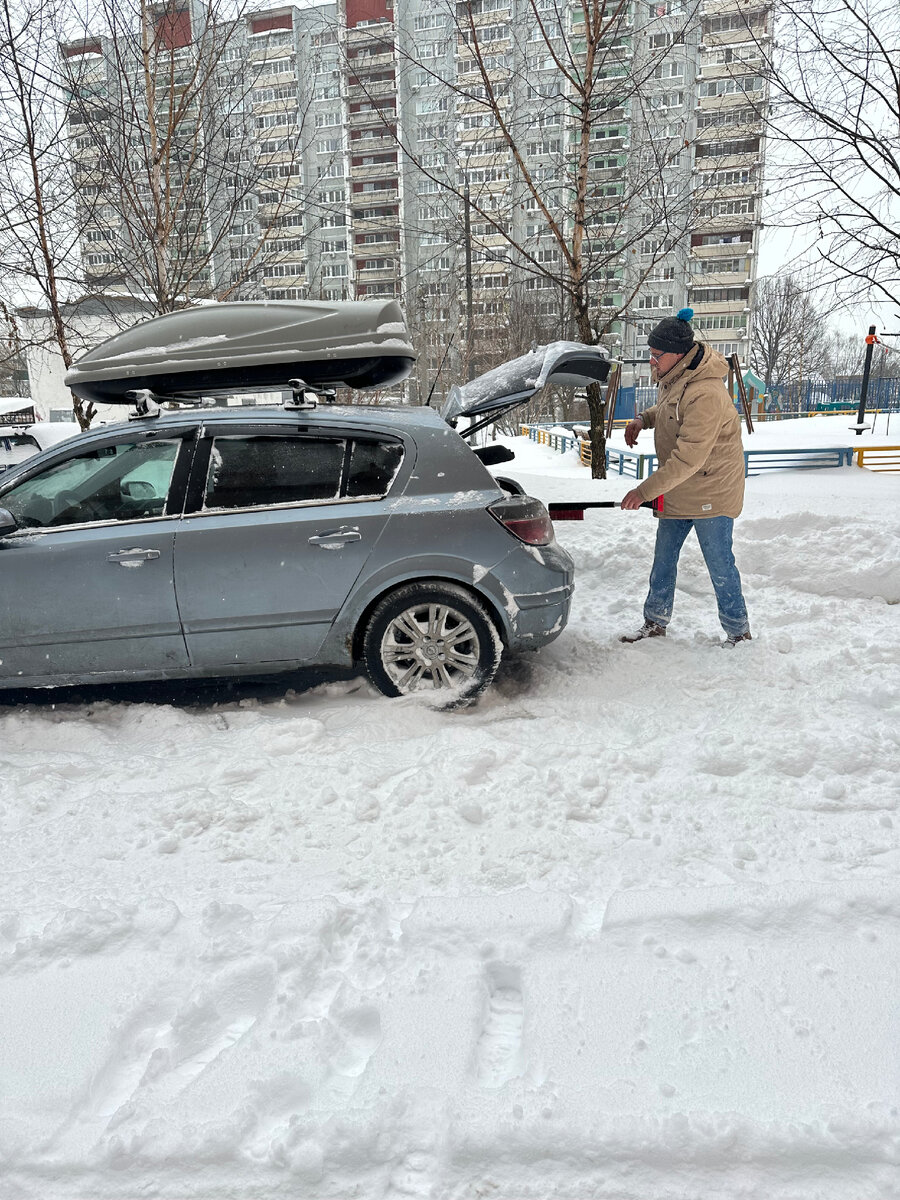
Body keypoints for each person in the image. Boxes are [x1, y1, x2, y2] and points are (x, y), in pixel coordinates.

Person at [619, 307, 751, 647]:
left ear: (677, 353)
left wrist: (644, 491)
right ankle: (655, 622)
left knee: (719, 563)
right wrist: (642, 420)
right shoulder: (678, 375)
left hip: (711, 489)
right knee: (664, 557)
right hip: (680, 486)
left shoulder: (705, 392)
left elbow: (688, 457)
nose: (652, 361)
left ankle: (738, 630)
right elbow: (669, 411)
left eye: (655, 355)